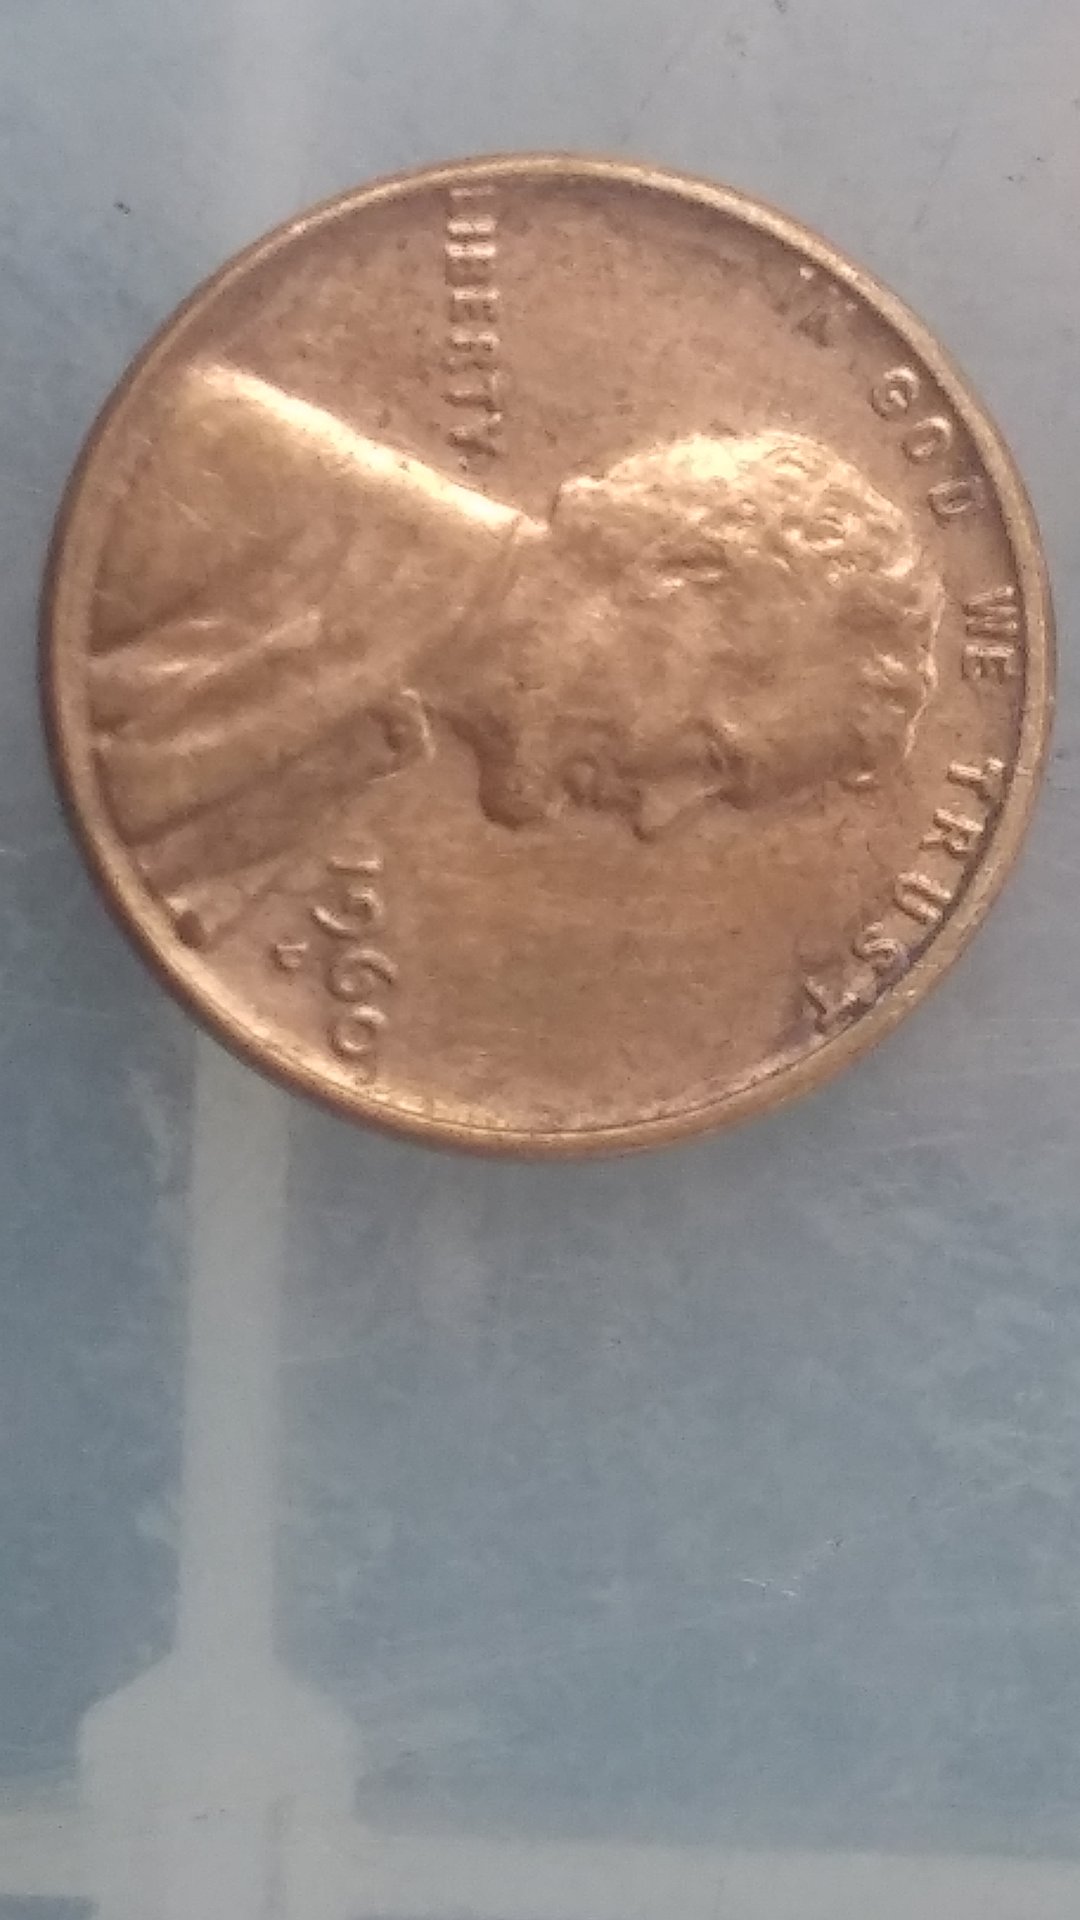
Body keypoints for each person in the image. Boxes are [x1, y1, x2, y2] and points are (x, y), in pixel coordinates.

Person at [89, 360, 943, 946]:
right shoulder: (215, 464)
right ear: (681, 576)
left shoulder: (340, 763)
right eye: (713, 756)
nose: (658, 818)